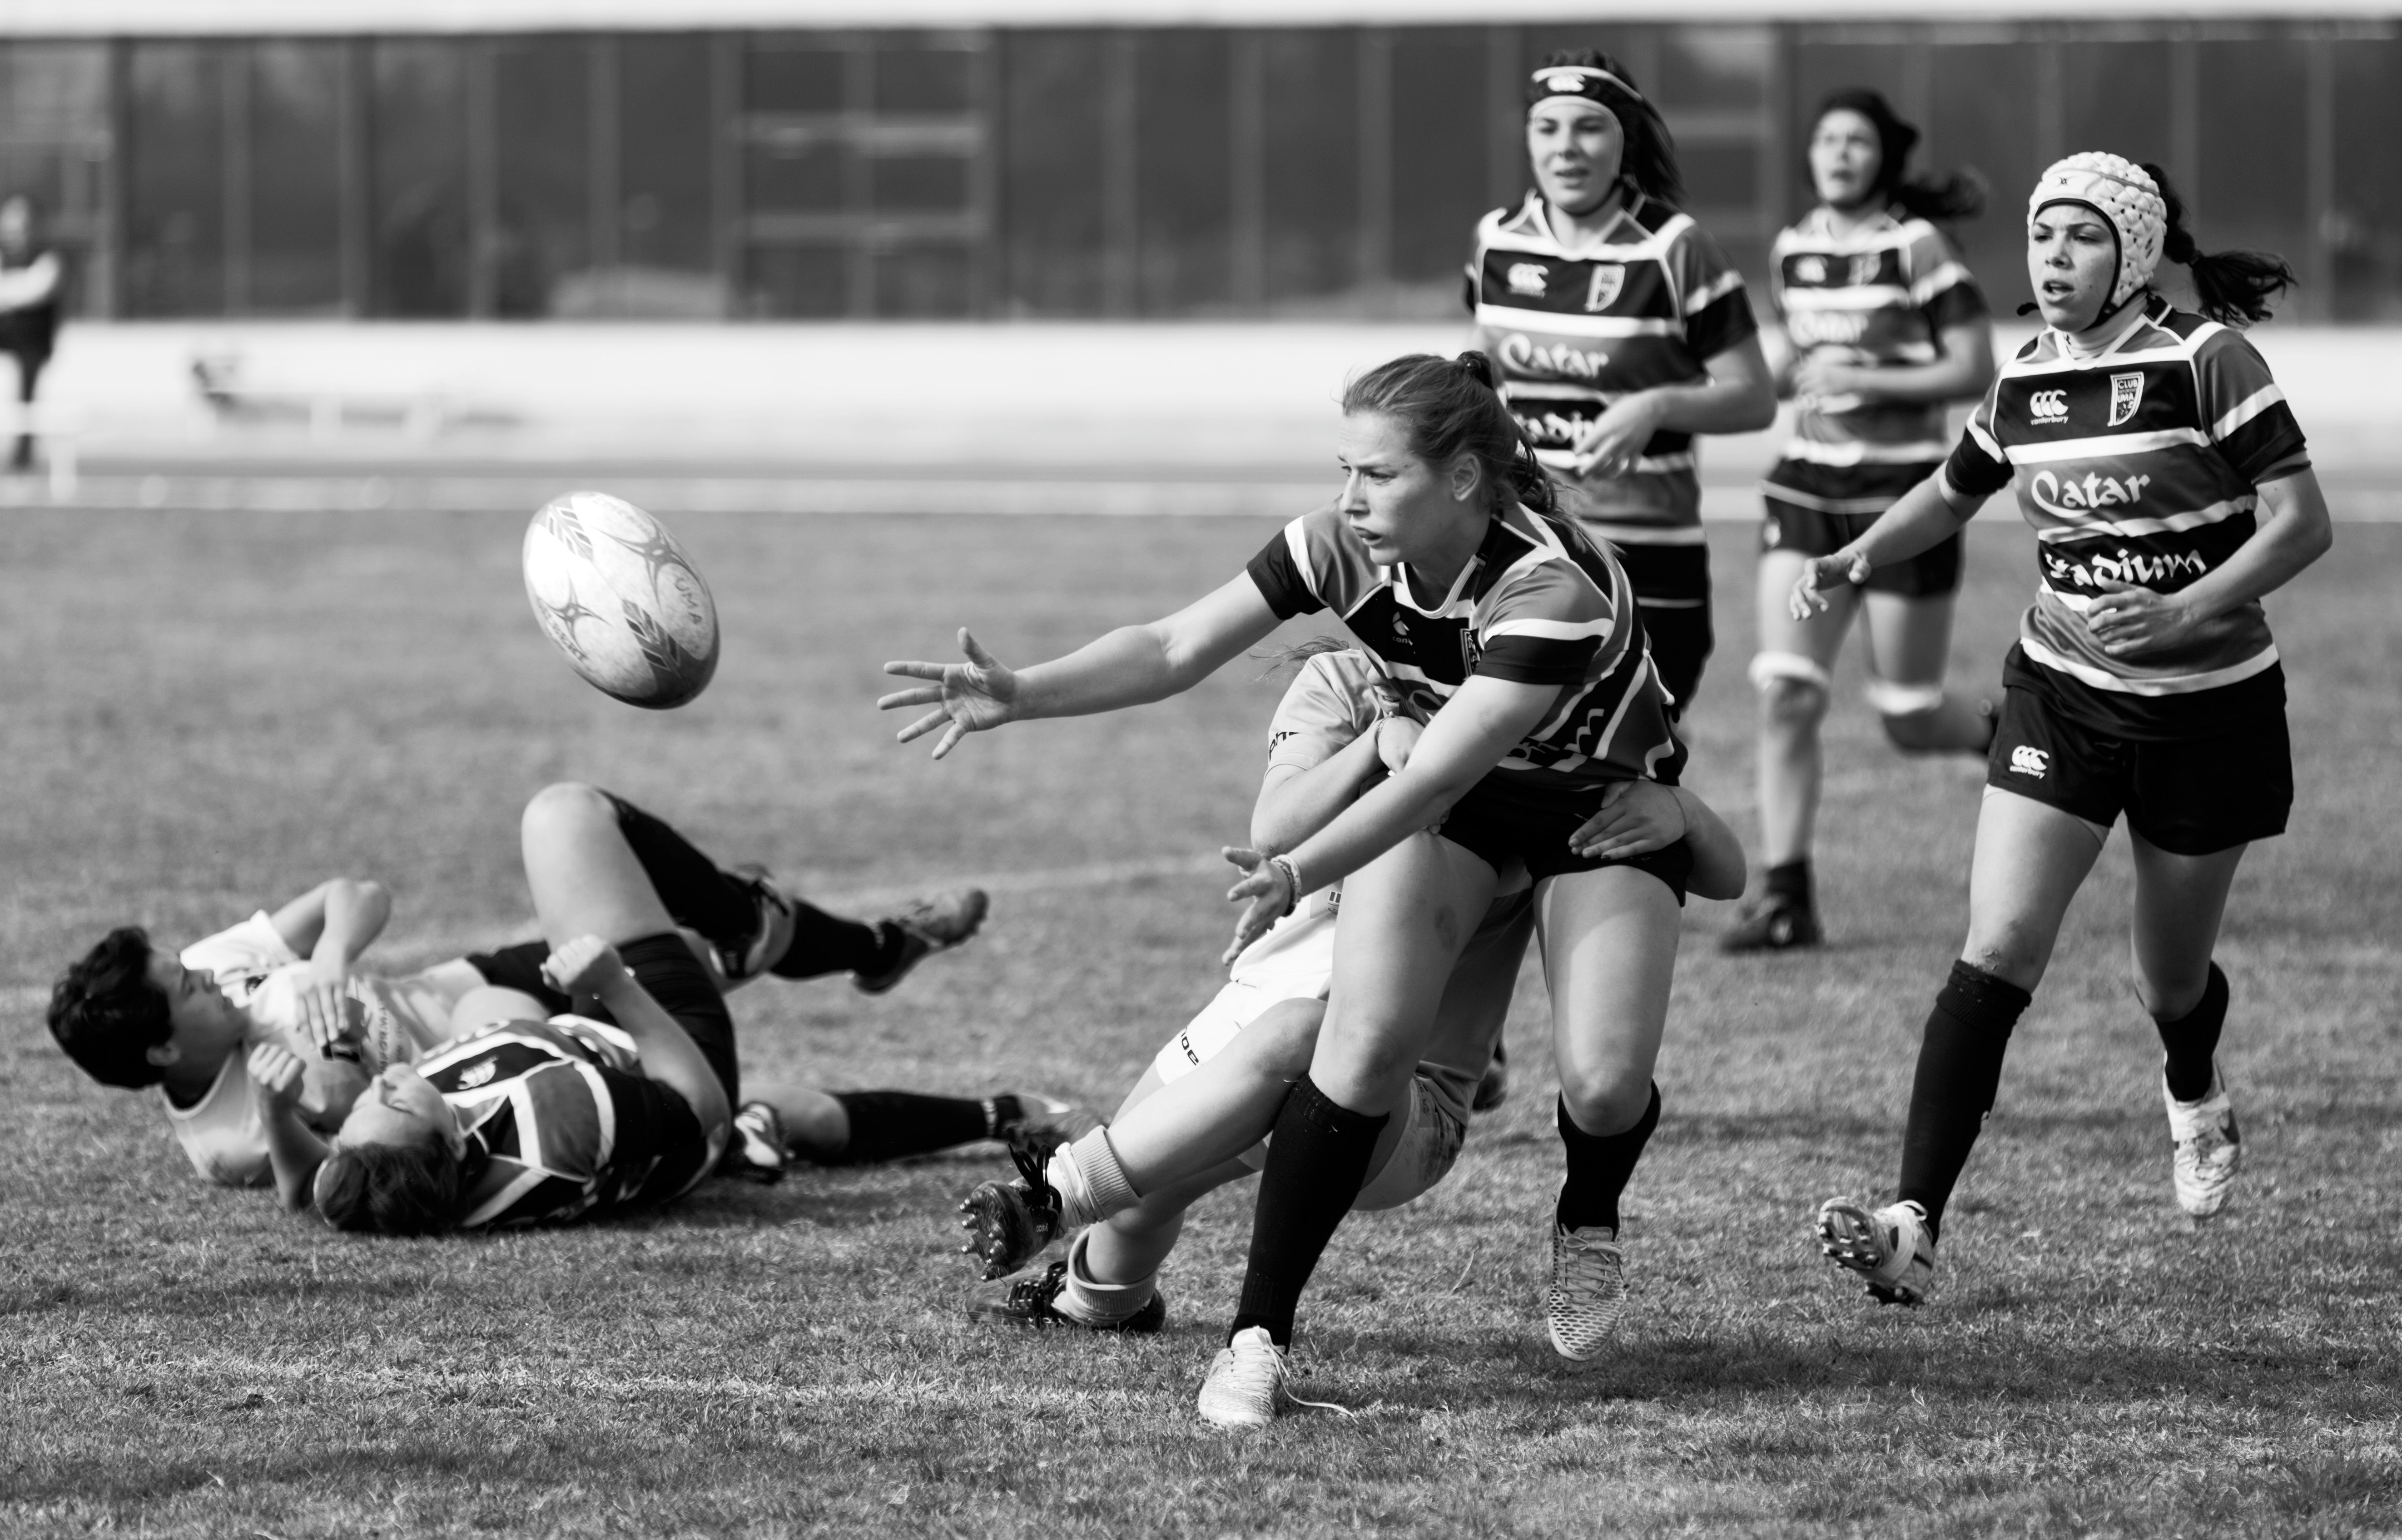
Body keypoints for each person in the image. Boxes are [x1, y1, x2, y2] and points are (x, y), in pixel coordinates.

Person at [883, 351, 1741, 1428]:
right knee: (1353, 1037)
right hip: (1463, 805)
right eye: (1343, 469)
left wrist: (1299, 868)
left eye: (1377, 476)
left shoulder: (1550, 589)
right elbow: (1173, 644)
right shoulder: (1340, 547)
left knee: (1606, 1084)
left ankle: (1588, 1215)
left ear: (1465, 480)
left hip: (1591, 807)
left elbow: (1432, 768)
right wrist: (1020, 691)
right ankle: (1255, 1342)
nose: (1348, 499)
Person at [1801, 154, 2331, 1306]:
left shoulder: (2206, 361)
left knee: (2167, 978)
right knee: (1993, 949)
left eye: (2081, 238)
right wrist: (1854, 554)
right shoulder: (2026, 376)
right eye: (2042, 236)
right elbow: (1950, 492)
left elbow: (2301, 521)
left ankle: (2190, 1086)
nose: (2052, 259)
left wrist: (2185, 603)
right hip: (2060, 692)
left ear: (2131, 253)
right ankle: (1912, 1226)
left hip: (2208, 708)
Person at [954, 646, 1741, 1340]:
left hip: (1403, 1099)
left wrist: (1678, 808)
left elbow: (1713, 873)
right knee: (1140, 1203)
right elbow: (1274, 828)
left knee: (1303, 1033)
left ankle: (1055, 1193)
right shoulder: (1343, 677)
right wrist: (1374, 745)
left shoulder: (1529, 707)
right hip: (1249, 1012)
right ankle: (1098, 1300)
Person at [46, 784, 997, 1189]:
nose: (208, 971)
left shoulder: (224, 961)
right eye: (188, 986)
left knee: (702, 934)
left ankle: (854, 942)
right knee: (685, 940)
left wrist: (330, 961)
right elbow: (378, 1155)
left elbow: (358, 893)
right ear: (165, 1049)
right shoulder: (228, 1139)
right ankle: (850, 947)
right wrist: (318, 1080)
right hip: (519, 1049)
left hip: (477, 981)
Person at [241, 783, 1055, 1233]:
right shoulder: (557, 1119)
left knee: (792, 1113)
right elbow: (702, 1107)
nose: (377, 1087)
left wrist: (278, 1113)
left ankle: (864, 964)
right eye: (393, 1099)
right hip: (674, 1062)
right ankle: (745, 929)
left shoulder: (389, 1178)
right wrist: (617, 984)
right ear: (455, 1136)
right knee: (563, 817)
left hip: (578, 1043)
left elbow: (315, 1185)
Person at [1725, 89, 2000, 952]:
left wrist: (1867, 376)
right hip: (1805, 487)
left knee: (1908, 715)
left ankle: (2014, 740)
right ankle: (1783, 897)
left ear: (1882, 156)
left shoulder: (1913, 247)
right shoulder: (1793, 250)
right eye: (1825, 139)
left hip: (1903, 496)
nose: (1838, 153)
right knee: (1785, 693)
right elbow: (1788, 364)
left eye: (1855, 140)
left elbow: (1973, 367)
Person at [1469, 51, 1778, 717]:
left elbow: (1754, 397)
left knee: (1625, 777)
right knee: (1507, 773)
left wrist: (1657, 404)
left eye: (1589, 127)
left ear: (1625, 139)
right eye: (1547, 128)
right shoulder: (1496, 241)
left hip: (1647, 555)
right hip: (1526, 539)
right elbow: (1485, 373)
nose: (1566, 148)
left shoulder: (1674, 247)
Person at [0, 195, 64, 473]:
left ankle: (22, 458)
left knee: (27, 392)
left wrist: (10, 289)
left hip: (33, 340)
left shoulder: (48, 255)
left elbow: (37, 289)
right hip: (6, 333)